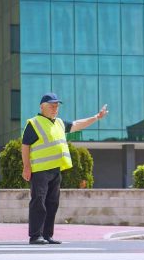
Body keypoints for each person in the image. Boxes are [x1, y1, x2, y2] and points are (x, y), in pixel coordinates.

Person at [22, 93, 108, 244]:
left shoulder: (59, 123)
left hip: (55, 170)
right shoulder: (34, 123)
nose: (55, 109)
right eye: (51, 106)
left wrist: (96, 117)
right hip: (40, 170)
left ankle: (47, 235)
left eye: (56, 106)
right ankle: (35, 236)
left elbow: (77, 124)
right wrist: (26, 167)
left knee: (52, 203)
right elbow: (25, 146)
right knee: (38, 202)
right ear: (42, 107)